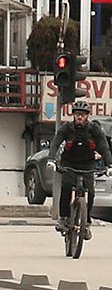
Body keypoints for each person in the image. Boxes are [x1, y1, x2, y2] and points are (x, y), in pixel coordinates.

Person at [47, 99, 112, 240]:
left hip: (87, 164)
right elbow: (55, 143)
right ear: (73, 115)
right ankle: (64, 218)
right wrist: (51, 159)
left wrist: (109, 165)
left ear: (87, 115)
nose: (80, 117)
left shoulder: (94, 129)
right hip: (69, 163)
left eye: (83, 114)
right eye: (77, 114)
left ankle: (86, 223)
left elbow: (104, 146)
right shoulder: (66, 129)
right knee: (66, 187)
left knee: (91, 192)